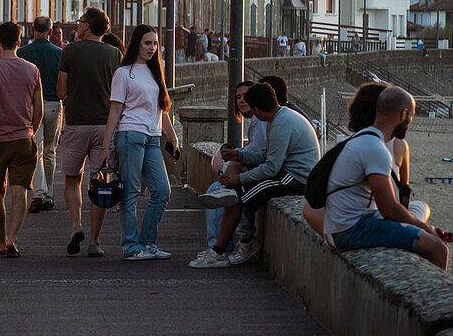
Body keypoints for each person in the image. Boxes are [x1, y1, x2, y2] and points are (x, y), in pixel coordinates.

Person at [191, 82, 320, 268]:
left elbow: (271, 168)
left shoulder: (281, 124)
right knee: (237, 193)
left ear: (257, 109)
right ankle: (219, 249)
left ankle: (237, 245)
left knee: (239, 195)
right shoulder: (278, 117)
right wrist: (240, 155)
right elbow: (266, 155)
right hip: (288, 172)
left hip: (298, 178)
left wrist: (238, 178)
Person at [317, 87, 447, 269]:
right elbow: (389, 209)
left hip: (340, 226)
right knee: (438, 248)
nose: (410, 122)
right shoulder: (376, 149)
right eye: (411, 116)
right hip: (351, 231)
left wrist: (424, 229)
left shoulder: (361, 139)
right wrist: (426, 231)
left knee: (422, 232)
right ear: (403, 114)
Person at [303, 82, 431, 231]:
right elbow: (404, 194)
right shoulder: (399, 145)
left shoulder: (347, 145)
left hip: (351, 222)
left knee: (308, 209)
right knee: (422, 207)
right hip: (381, 216)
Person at [103, 24, 181, 260]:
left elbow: (162, 110)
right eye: (148, 43)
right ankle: (131, 247)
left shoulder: (157, 70)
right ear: (136, 43)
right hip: (130, 135)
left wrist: (173, 136)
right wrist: (105, 146)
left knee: (162, 190)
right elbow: (115, 111)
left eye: (155, 43)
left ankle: (147, 242)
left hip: (153, 137)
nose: (152, 48)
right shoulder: (123, 73)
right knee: (131, 192)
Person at [59, 8, 122, 257]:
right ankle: (95, 242)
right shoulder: (115, 54)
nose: (77, 25)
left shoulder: (70, 51)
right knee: (100, 180)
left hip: (76, 123)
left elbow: (61, 90)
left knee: (72, 179)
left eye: (80, 21)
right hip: (104, 127)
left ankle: (77, 225)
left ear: (87, 26)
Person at [0, 22, 43, 258]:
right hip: (24, 138)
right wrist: (30, 130)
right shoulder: (32, 70)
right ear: (19, 41)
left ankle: (1, 241)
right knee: (20, 191)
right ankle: (13, 237)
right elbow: (39, 110)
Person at [203, 81, 267, 250]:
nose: (241, 101)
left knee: (217, 190)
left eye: (246, 96)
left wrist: (235, 161)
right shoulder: (257, 121)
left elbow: (259, 155)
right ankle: (220, 246)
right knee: (220, 189)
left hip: (263, 174)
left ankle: (218, 249)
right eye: (238, 97)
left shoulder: (260, 121)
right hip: (258, 172)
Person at [19, 16, 64, 212]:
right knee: (50, 152)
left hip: (31, 106)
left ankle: (39, 193)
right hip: (54, 103)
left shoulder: (22, 52)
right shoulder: (59, 54)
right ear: (50, 30)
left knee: (35, 150)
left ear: (32, 29)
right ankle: (49, 193)